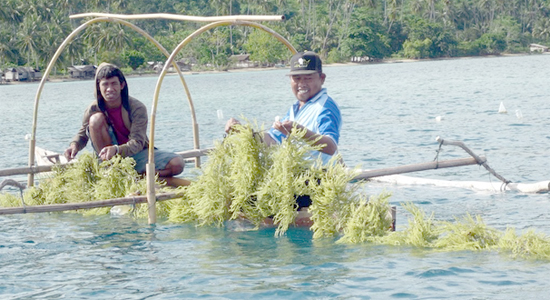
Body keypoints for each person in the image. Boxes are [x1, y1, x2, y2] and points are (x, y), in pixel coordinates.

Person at [225, 51, 342, 217]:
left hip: (317, 180)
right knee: (242, 196)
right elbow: (272, 141)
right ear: (290, 81)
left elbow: (330, 147)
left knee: (254, 204)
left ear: (322, 78)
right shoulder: (296, 109)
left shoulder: (325, 107)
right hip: (294, 177)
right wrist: (245, 132)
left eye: (308, 78)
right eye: (297, 78)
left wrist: (300, 132)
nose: (302, 83)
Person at [64, 63, 189, 187]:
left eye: (114, 84)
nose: (109, 89)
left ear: (122, 85)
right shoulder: (93, 108)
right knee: (95, 119)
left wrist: (117, 149)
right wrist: (74, 145)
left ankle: (141, 176)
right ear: (99, 87)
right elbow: (83, 134)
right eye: (105, 85)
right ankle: (109, 170)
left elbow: (138, 142)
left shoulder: (136, 108)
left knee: (177, 163)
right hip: (107, 157)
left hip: (134, 153)